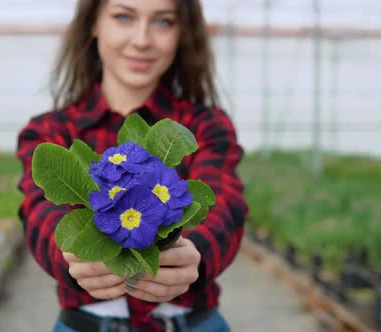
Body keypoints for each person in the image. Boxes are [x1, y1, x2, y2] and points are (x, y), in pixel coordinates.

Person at [16, 0, 248, 331]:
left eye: (163, 22)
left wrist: (193, 256)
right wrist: (72, 259)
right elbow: (39, 214)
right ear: (93, 23)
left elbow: (226, 208)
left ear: (183, 32)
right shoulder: (50, 132)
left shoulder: (204, 124)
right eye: (123, 17)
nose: (141, 40)